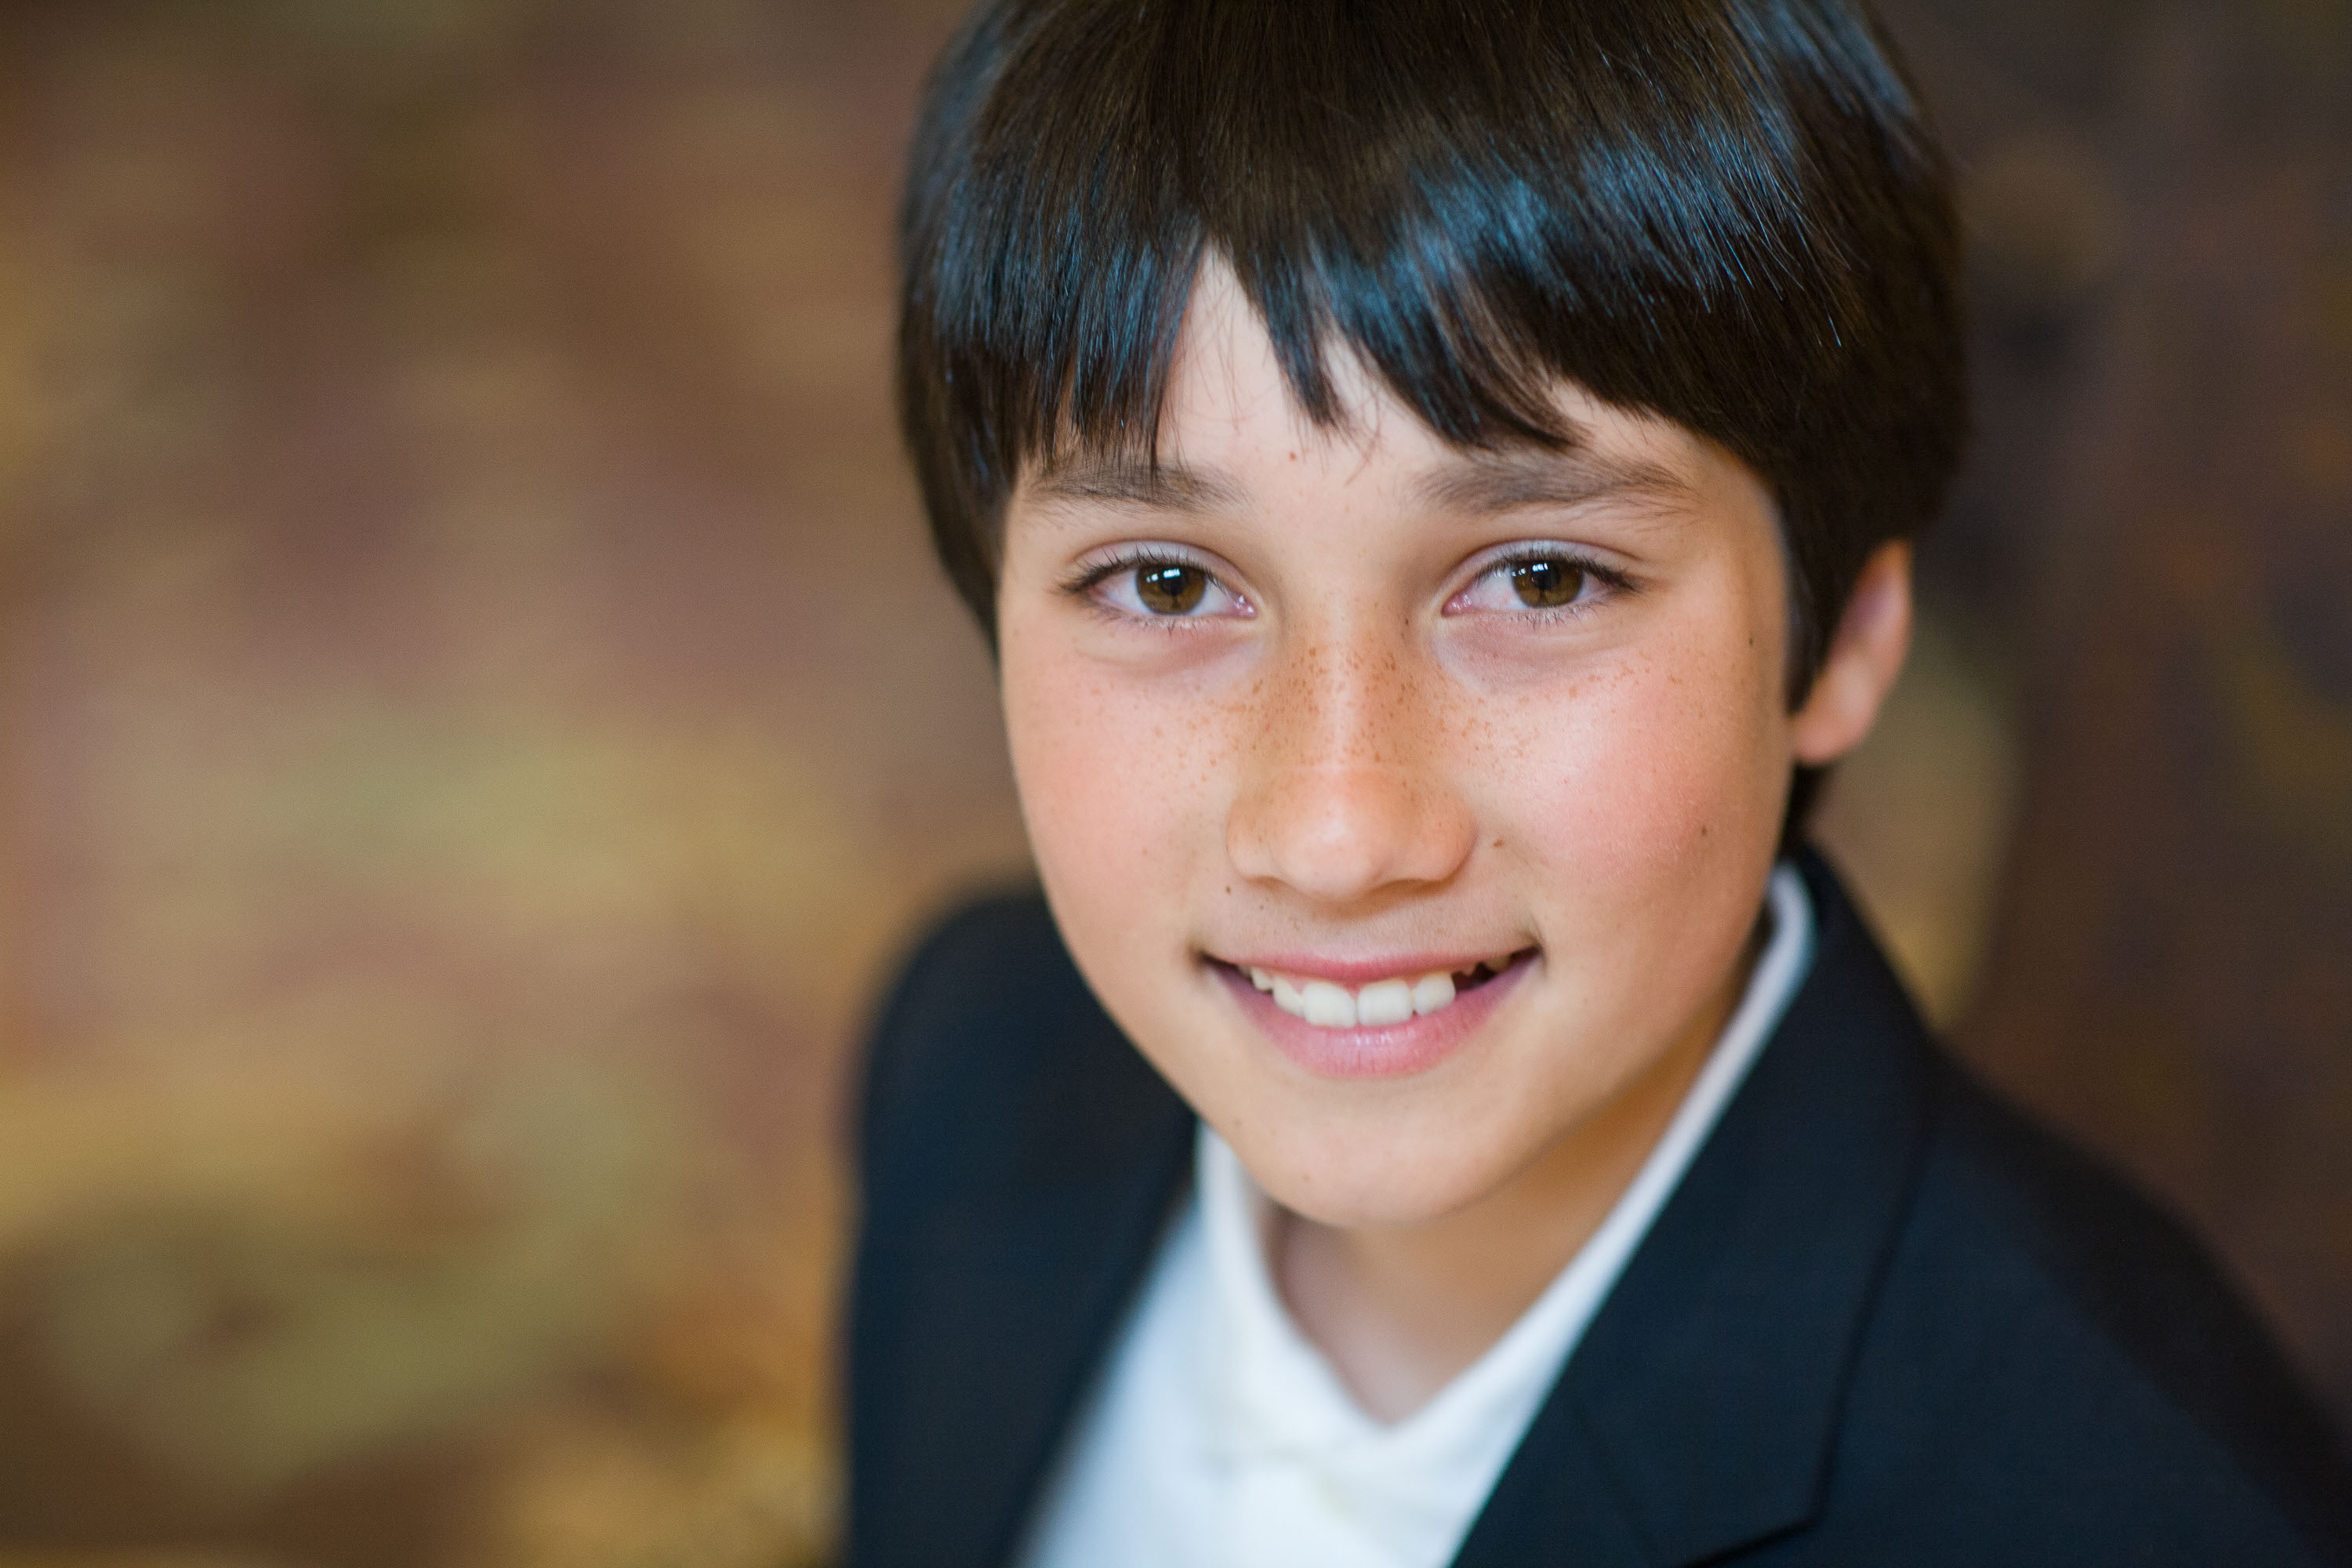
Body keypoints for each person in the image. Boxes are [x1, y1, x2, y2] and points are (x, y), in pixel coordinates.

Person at [846, 2, 2352, 1564]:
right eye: (1163, 584)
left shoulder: (2129, 1509)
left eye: (1546, 577)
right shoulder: (978, 1051)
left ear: (1844, 639)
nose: (1340, 832)